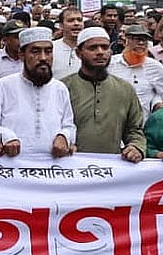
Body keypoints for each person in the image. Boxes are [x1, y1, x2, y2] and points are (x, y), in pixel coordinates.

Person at [0, 26, 76, 157]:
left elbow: (69, 126)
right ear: (22, 55)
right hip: (12, 167)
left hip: (52, 169)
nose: (43, 58)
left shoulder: (60, 88)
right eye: (35, 51)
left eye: (48, 51)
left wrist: (64, 136)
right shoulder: (4, 86)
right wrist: (6, 136)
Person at [60, 27, 145, 162]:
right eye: (93, 48)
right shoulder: (62, 87)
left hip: (111, 170)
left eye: (105, 47)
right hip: (69, 168)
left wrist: (136, 147)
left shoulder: (125, 89)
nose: (100, 52)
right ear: (78, 53)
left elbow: (134, 129)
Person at [108, 24, 163, 119]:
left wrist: (158, 104)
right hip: (113, 121)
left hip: (143, 124)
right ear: (125, 41)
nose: (141, 43)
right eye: (136, 39)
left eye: (144, 40)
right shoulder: (110, 64)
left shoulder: (155, 67)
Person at [51, 6, 84, 79]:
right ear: (61, 25)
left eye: (79, 20)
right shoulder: (51, 48)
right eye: (71, 20)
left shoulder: (90, 49)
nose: (76, 23)